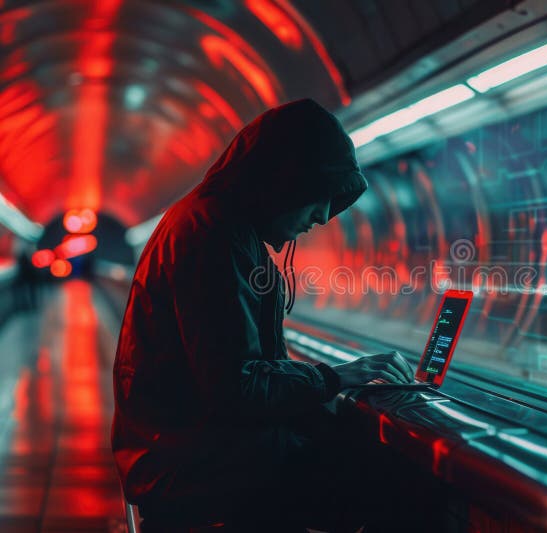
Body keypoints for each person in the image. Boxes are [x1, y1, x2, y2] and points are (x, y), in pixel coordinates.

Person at [111, 98, 421, 531]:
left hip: (188, 456)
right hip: (196, 472)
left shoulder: (223, 227)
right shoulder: (213, 235)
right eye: (317, 196)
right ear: (284, 181)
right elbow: (236, 385)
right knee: (396, 485)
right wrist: (333, 378)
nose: (323, 216)